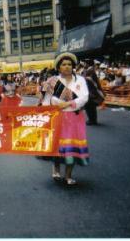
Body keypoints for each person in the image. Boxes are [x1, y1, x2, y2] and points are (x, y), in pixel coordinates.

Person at [40, 52, 89, 185]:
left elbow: (84, 97)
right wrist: (55, 104)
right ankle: (55, 169)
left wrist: (68, 103)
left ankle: (68, 175)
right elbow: (46, 101)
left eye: (69, 64)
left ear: (73, 66)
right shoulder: (52, 81)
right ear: (59, 67)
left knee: (71, 147)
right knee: (58, 146)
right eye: (63, 64)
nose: (67, 67)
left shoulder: (80, 80)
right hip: (58, 117)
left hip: (75, 118)